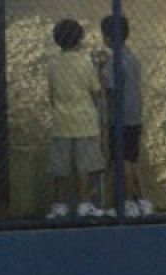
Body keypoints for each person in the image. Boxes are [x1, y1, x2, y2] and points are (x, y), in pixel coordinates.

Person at [46, 18, 105, 219]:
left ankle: (60, 204)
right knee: (84, 167)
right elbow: (96, 91)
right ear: (79, 39)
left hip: (61, 121)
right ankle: (84, 203)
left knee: (61, 167)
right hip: (85, 120)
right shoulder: (85, 63)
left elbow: (52, 94)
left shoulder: (53, 65)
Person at [97, 14, 152, 217]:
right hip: (134, 115)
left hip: (120, 117)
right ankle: (142, 200)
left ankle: (128, 202)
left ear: (107, 37)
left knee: (123, 160)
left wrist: (100, 69)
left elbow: (110, 86)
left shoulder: (113, 60)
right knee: (132, 158)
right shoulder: (132, 57)